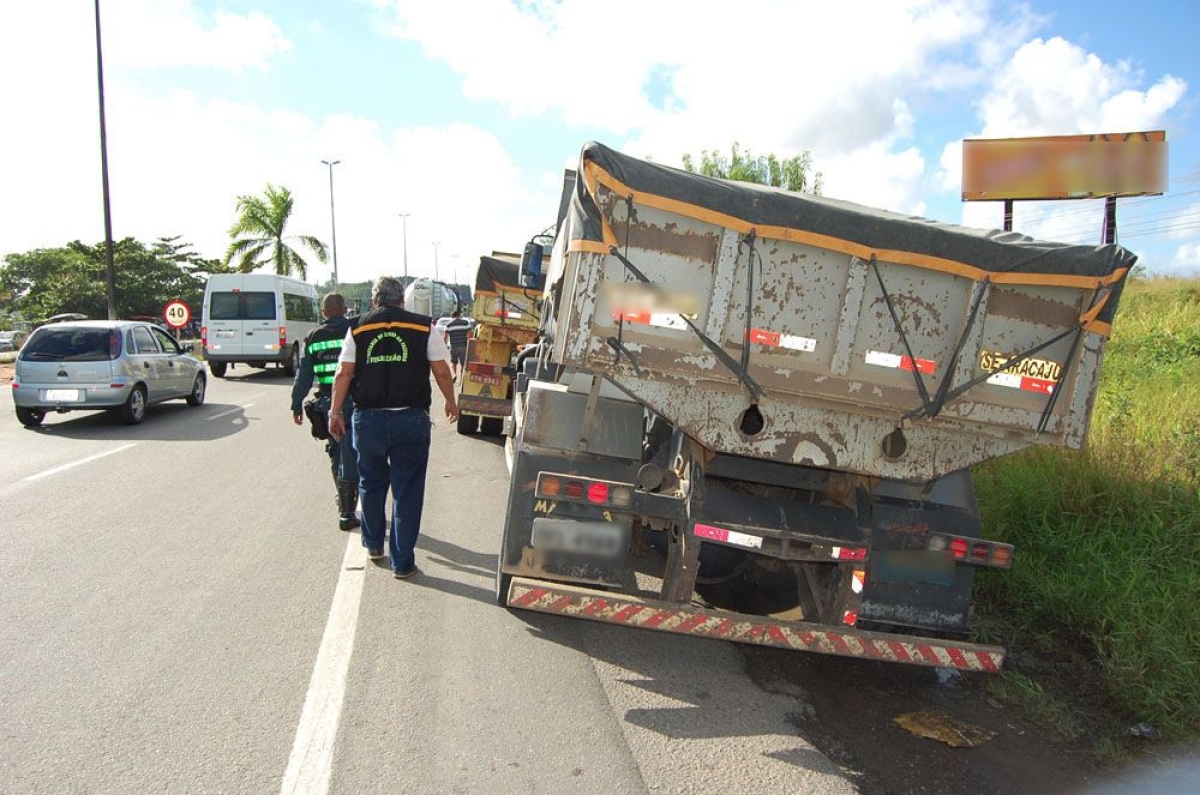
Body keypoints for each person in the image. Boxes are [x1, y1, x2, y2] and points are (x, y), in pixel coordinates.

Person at [328, 276, 459, 579]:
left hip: (368, 421)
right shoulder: (423, 326)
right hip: (409, 421)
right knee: (407, 491)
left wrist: (335, 412)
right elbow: (441, 370)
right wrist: (451, 401)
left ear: (374, 301)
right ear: (402, 300)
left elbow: (343, 374)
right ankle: (402, 563)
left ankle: (374, 544)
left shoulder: (358, 327)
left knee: (371, 485)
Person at [290, 292, 359, 531]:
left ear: (323, 313)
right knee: (351, 454)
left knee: (335, 451)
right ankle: (347, 510)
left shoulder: (313, 337)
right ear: (345, 309)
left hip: (327, 403)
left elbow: (304, 375)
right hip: (353, 401)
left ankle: (343, 503)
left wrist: (296, 403)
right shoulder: (355, 329)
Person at [442, 309, 472, 381]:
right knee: (463, 364)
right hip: (464, 346)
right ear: (459, 315)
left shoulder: (448, 324)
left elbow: (445, 337)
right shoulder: (465, 322)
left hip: (454, 346)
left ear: (452, 317)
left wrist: (444, 346)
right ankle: (461, 380)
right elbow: (470, 334)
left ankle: (454, 375)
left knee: (453, 362)